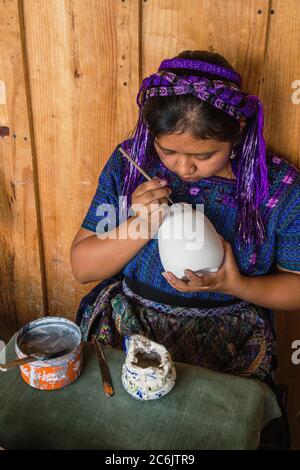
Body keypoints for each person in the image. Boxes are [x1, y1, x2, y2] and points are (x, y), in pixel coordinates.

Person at [70, 50, 300, 447]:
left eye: (203, 155)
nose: (182, 168)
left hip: (231, 343)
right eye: (167, 151)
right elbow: (82, 266)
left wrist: (238, 286)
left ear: (238, 130)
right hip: (130, 333)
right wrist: (141, 225)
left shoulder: (275, 187)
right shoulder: (131, 167)